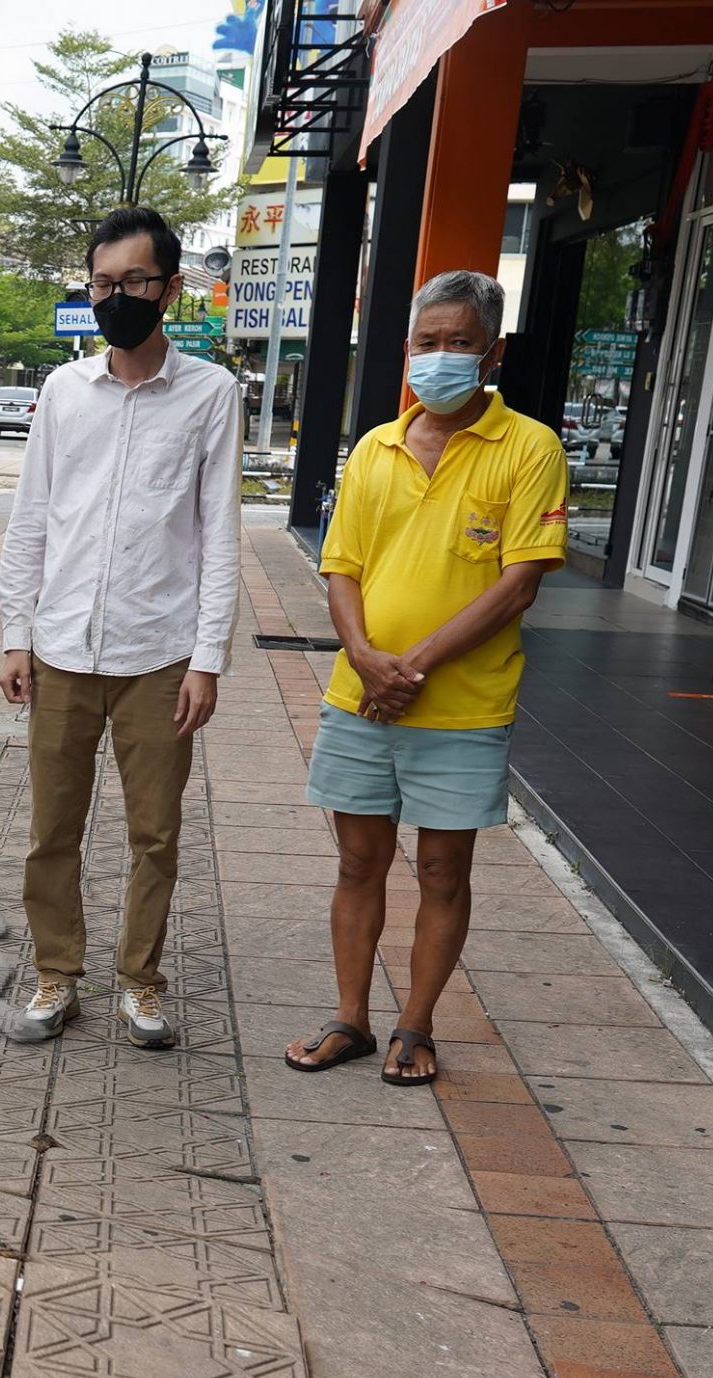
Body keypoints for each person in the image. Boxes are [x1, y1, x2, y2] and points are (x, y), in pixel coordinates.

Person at [283, 269, 569, 1088]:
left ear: (493, 353)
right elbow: (341, 566)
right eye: (426, 343)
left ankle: (417, 1024)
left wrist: (411, 667)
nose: (439, 358)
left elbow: (521, 581)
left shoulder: (529, 447)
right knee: (357, 862)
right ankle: (351, 1018)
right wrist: (368, 660)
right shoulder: (376, 447)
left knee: (444, 870)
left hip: (464, 706)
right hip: (360, 697)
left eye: (459, 344)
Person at [0, 205, 243, 1049]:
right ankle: (55, 976)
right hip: (62, 644)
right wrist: (14, 635)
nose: (116, 297)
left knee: (156, 835)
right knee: (50, 831)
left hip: (159, 652)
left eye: (133, 282)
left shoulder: (213, 393)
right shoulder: (64, 392)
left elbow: (218, 533)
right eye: (102, 283)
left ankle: (141, 981)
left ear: (170, 288)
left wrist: (207, 660)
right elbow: (31, 519)